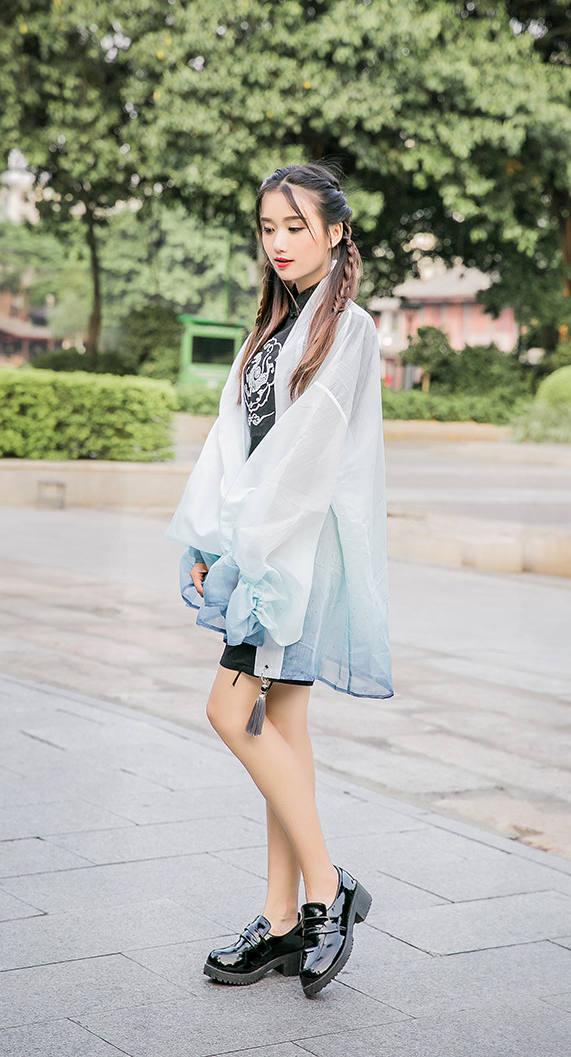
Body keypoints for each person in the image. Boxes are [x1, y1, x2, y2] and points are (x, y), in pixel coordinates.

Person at [166, 163, 392, 998]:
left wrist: (246, 553)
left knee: (230, 711)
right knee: (281, 725)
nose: (280, 243)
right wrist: (205, 534)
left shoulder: (349, 327)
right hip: (257, 548)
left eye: (296, 227)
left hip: (287, 559)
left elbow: (306, 460)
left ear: (336, 231)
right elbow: (233, 439)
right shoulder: (274, 323)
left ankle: (328, 890)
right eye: (268, 228)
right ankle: (281, 917)